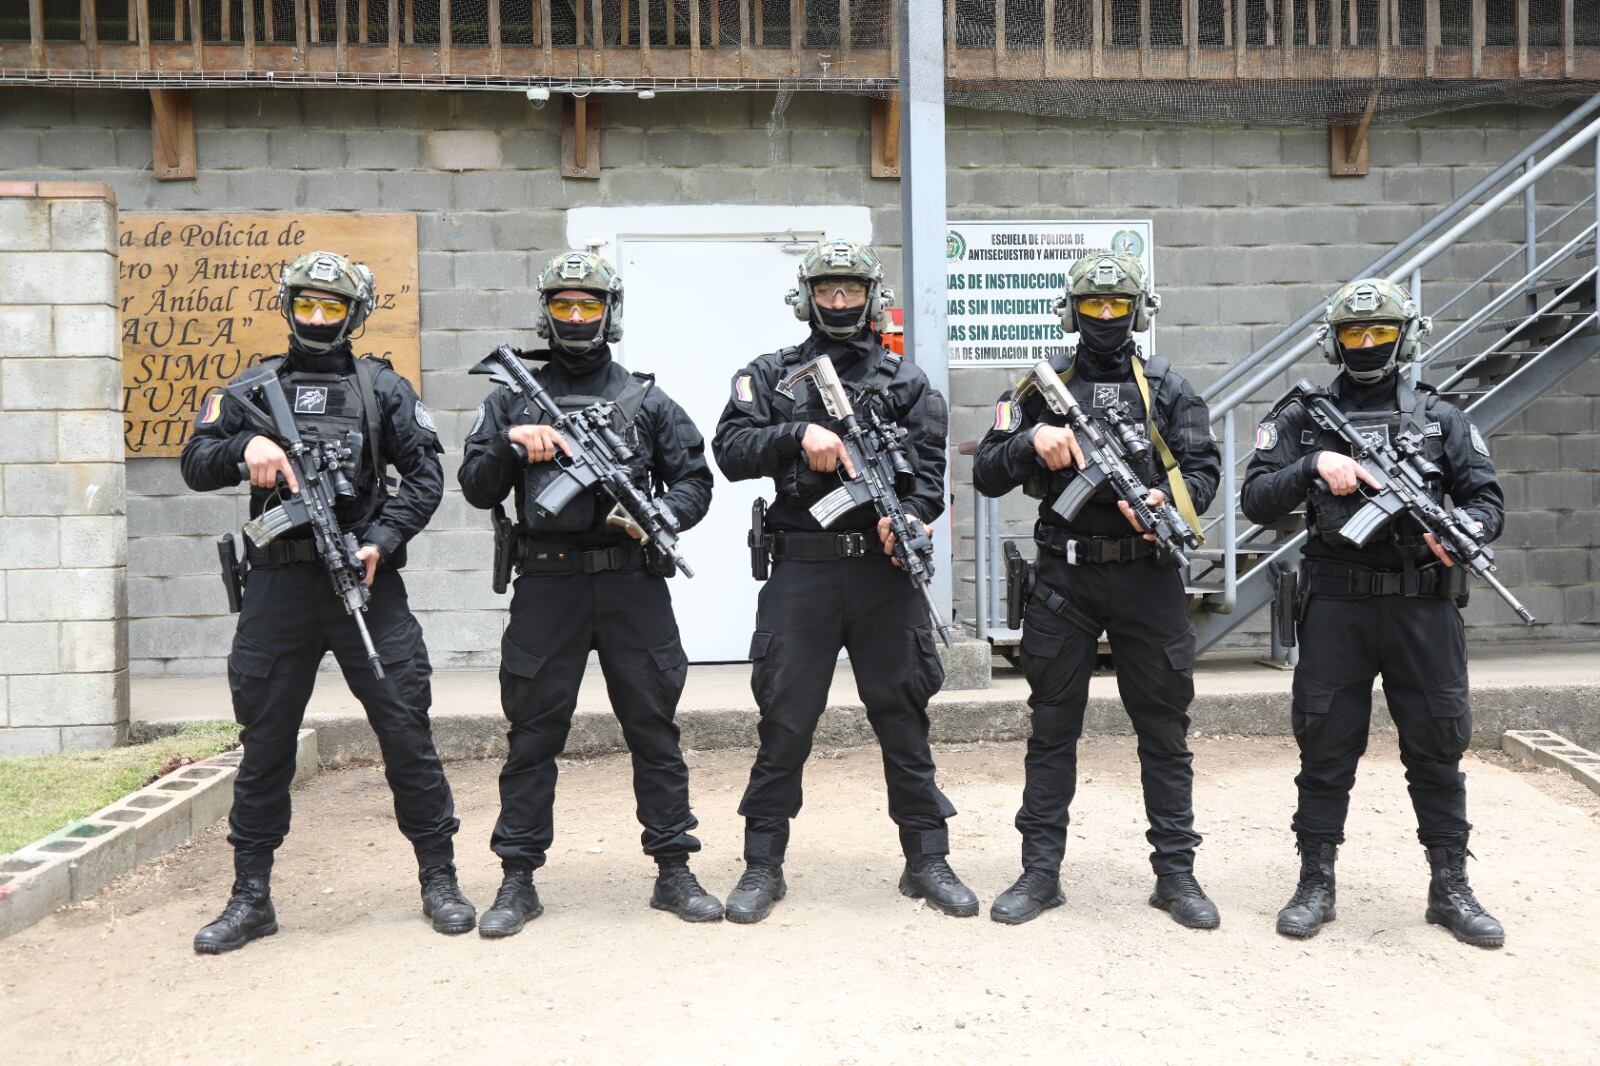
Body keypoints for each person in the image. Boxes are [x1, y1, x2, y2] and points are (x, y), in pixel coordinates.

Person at [181, 251, 468, 953]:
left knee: (406, 730)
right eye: (305, 305)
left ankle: (440, 879)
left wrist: (381, 540)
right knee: (266, 745)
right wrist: (245, 447)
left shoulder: (382, 389)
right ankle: (251, 896)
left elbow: (427, 477)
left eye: (330, 307)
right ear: (288, 307)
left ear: (354, 314)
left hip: (365, 584)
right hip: (278, 586)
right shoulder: (249, 389)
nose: (315, 318)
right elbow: (195, 461)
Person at [712, 238, 977, 924]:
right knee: (786, 723)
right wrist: (796, 435)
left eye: (850, 291)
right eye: (826, 291)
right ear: (807, 296)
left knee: (903, 719)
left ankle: (927, 860)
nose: (838, 302)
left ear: (871, 295)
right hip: (802, 571)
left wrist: (910, 521)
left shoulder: (908, 384)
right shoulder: (771, 375)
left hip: (882, 576)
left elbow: (928, 480)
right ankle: (762, 865)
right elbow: (730, 449)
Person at [458, 251, 720, 936]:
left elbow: (696, 479)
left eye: (589, 305)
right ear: (545, 310)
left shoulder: (645, 398)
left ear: (610, 311)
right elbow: (476, 486)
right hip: (547, 582)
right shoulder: (511, 399)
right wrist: (513, 446)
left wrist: (659, 516)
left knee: (654, 729)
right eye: (564, 305)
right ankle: (517, 879)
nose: (576, 318)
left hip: (632, 581)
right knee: (533, 734)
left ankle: (673, 868)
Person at [1241, 277, 1506, 948]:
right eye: (1354, 333)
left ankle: (1450, 886)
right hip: (1337, 606)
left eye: (1379, 332)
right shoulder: (1303, 417)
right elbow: (1255, 497)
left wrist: (1464, 524)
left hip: (1425, 607)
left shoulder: (1443, 418)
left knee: (1438, 748)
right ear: (1334, 340)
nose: (1365, 344)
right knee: (1326, 745)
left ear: (1404, 336)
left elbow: (1488, 501)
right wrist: (1314, 466)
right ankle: (1315, 882)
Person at [972, 252, 1222, 928]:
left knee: (1164, 732)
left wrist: (1161, 498)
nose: (1106, 317)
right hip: (1066, 579)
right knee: (1052, 729)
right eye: (1094, 306)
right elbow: (986, 470)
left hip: (1148, 576)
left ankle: (1177, 876)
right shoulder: (1036, 389)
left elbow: (1204, 471)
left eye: (1117, 307)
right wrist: (1034, 441)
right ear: (1072, 310)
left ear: (1138, 311)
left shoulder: (1169, 388)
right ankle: (1039, 873)